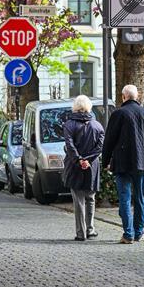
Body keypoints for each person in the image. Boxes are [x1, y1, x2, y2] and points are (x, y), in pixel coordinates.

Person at [102, 84, 144, 244]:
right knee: (139, 199)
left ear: (124, 97)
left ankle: (128, 234)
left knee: (124, 198)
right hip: (141, 163)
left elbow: (109, 140)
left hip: (122, 164)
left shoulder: (118, 114)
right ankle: (138, 232)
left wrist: (105, 161)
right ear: (136, 97)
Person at [62, 95, 105, 241]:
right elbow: (99, 147)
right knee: (90, 198)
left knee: (78, 200)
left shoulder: (69, 125)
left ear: (75, 107)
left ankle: (81, 233)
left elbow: (69, 145)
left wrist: (79, 159)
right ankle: (91, 229)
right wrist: (88, 160)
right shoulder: (97, 126)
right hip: (91, 167)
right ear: (89, 107)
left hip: (75, 167)